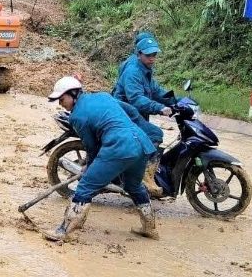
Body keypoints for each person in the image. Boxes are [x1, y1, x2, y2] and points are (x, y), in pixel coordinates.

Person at [47, 76, 159, 242]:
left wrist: (89, 167)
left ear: (73, 94)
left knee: (85, 186)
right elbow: (132, 112)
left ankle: (66, 230)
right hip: (141, 144)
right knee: (133, 186)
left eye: (62, 99)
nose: (61, 104)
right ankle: (149, 228)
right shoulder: (103, 96)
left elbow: (91, 147)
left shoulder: (77, 116)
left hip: (119, 147)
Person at [113, 34, 176, 196]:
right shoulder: (133, 71)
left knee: (146, 135)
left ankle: (134, 169)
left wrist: (176, 101)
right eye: (148, 55)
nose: (152, 58)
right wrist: (160, 108)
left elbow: (155, 90)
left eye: (154, 54)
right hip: (125, 112)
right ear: (139, 53)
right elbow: (136, 99)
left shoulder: (144, 69)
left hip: (133, 111)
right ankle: (145, 177)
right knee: (154, 133)